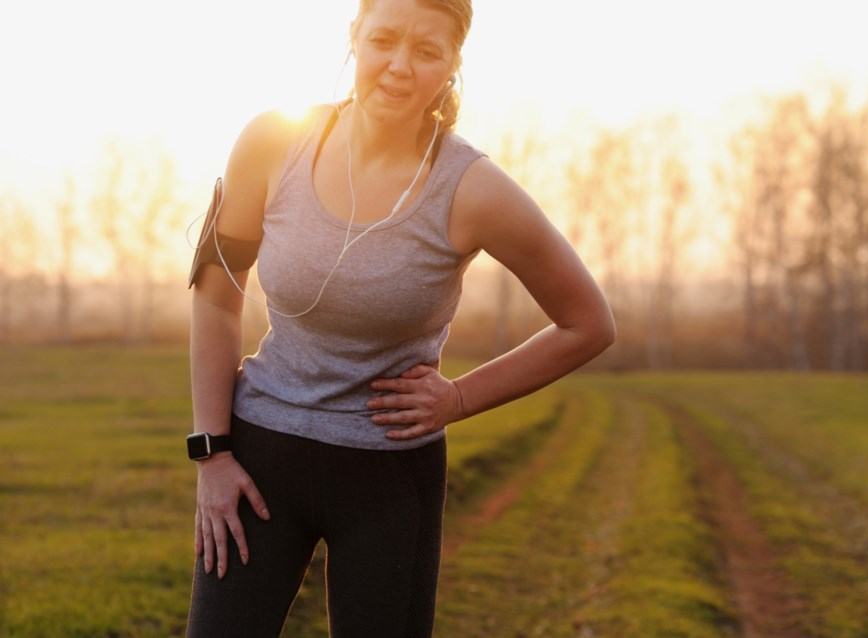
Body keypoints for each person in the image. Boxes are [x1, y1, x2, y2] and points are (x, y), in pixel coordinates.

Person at [184, 0, 615, 635]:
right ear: (354, 37)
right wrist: (212, 454)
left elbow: (588, 323)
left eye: (426, 50)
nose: (398, 67)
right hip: (257, 462)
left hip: (390, 478)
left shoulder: (472, 187)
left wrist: (460, 398)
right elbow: (217, 296)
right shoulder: (273, 142)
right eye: (383, 40)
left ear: (453, 65)